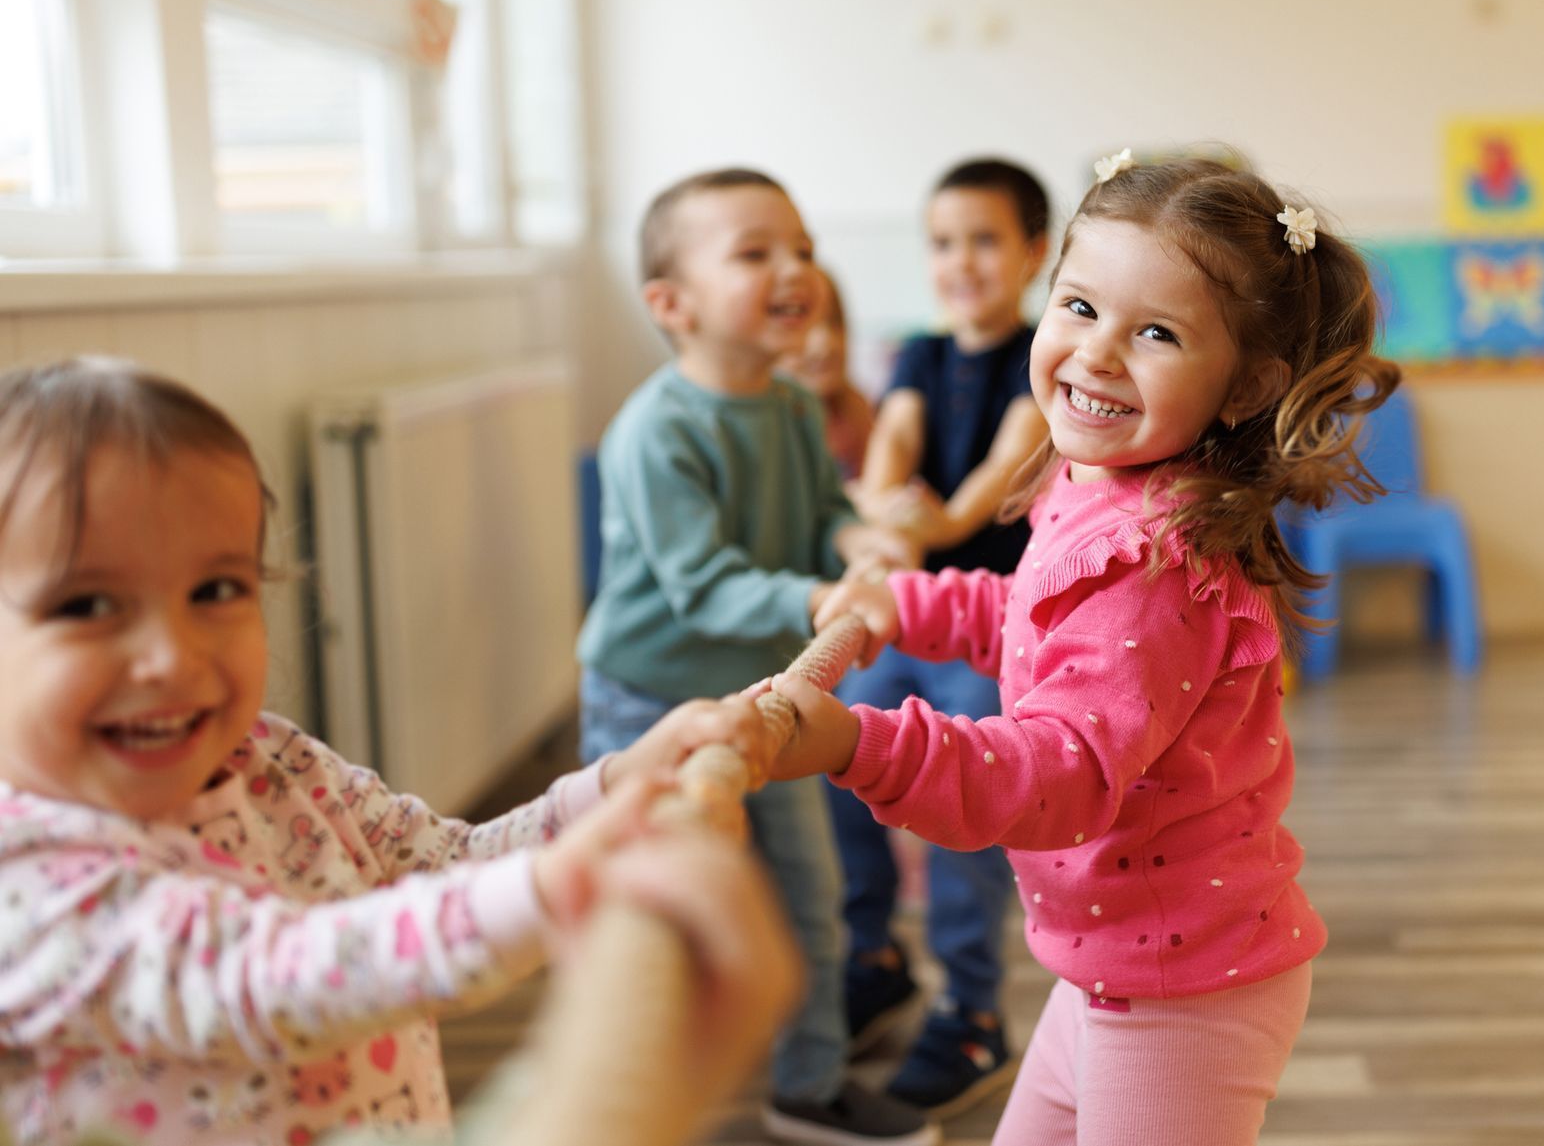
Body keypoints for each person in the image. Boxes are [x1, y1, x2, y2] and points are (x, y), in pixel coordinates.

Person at [762, 154, 1401, 1143]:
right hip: (1116, 965)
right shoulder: (1104, 483)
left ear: (1247, 386)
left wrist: (858, 745)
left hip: (1181, 996)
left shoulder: (1154, 562)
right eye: (1078, 306)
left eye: (1156, 332)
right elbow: (1034, 616)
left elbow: (1054, 779)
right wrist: (909, 604)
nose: (1097, 354)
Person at [0, 357, 799, 1146]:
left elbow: (448, 862)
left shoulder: (273, 762)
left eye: (215, 590)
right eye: (89, 604)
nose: (171, 656)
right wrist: (561, 886)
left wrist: (621, 782)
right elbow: (267, 976)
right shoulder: (25, 876)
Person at [574, 168, 932, 1146]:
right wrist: (824, 594)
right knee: (651, 913)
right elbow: (702, 583)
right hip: (646, 703)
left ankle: (808, 1084)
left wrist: (854, 543)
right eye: (755, 252)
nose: (795, 269)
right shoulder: (656, 430)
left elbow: (820, 517)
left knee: (809, 897)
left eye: (805, 249)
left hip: (764, 697)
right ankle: (629, 1097)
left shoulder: (787, 407)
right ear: (670, 304)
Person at [829, 158, 1052, 1116]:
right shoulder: (917, 354)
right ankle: (875, 955)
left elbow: (998, 479)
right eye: (943, 241)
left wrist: (921, 523)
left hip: (990, 630)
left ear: (1035, 253)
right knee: (838, 746)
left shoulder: (1049, 353)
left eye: (986, 239)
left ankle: (970, 1008)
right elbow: (895, 442)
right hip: (914, 613)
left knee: (965, 798)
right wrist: (882, 508)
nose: (962, 260)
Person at [778, 269, 874, 484]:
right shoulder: (769, 423)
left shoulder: (857, 410)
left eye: (834, 322)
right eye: (804, 326)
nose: (824, 343)